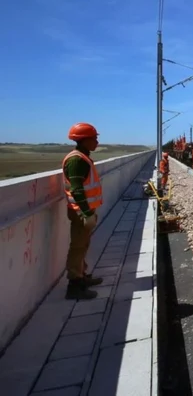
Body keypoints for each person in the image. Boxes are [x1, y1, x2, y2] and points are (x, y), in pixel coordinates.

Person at [62, 122, 104, 300]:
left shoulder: (83, 157)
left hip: (84, 210)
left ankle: (82, 276)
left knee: (83, 245)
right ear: (83, 140)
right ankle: (74, 286)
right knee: (77, 247)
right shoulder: (76, 160)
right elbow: (77, 189)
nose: (97, 142)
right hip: (80, 212)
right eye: (94, 138)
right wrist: (86, 213)